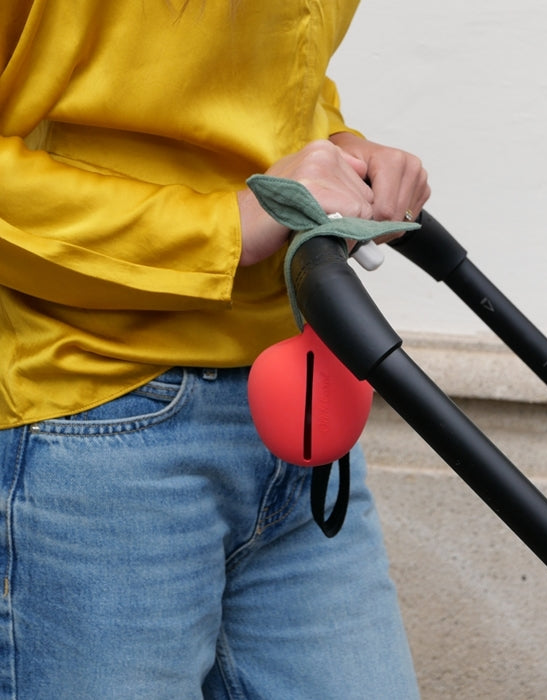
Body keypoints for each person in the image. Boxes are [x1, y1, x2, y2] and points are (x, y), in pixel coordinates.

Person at [0, 1, 430, 697]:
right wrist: (223, 225)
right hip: (97, 416)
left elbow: (255, 88)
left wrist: (339, 150)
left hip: (298, 420)